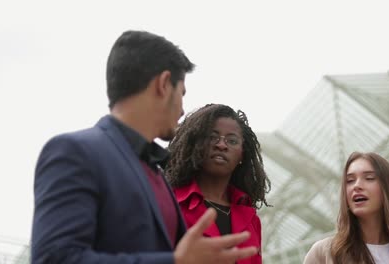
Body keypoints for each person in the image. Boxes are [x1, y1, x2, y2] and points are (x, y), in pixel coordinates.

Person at [31, 30, 258, 264]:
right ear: (163, 84)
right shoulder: (74, 152)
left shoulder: (157, 177)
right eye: (182, 93)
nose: (182, 110)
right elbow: (54, 259)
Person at [165, 103, 271, 264]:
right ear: (194, 144)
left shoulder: (251, 218)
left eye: (232, 141)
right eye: (212, 137)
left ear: (243, 154)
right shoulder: (168, 203)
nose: (221, 145)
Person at [303, 152, 389, 264]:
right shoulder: (324, 253)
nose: (357, 186)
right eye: (350, 180)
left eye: (369, 178)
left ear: (388, 189)